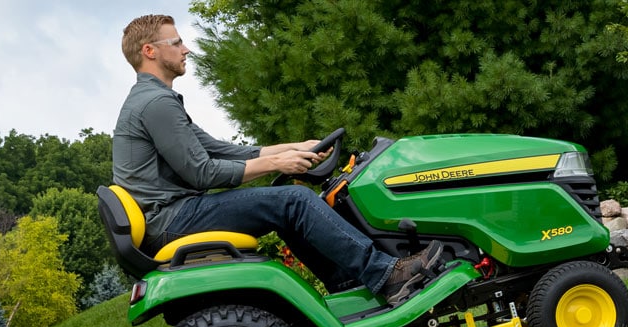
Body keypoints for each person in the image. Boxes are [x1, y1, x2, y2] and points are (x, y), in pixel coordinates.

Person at [111, 14, 442, 305]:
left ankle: (349, 287)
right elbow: (204, 173)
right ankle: (387, 276)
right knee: (293, 200)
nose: (186, 49)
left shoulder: (154, 100)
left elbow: (221, 149)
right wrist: (278, 164)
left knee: (287, 206)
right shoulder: (157, 105)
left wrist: (296, 148)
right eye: (176, 42)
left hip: (170, 217)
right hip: (172, 220)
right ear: (149, 51)